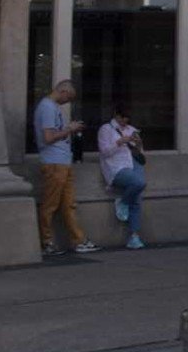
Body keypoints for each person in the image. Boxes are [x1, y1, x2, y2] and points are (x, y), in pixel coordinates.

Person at [34, 80, 97, 256]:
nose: (67, 101)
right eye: (68, 97)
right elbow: (48, 138)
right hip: (54, 162)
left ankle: (78, 240)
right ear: (62, 91)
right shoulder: (47, 107)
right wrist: (69, 129)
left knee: (68, 204)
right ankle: (47, 242)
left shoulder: (52, 107)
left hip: (62, 161)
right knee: (50, 204)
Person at [98, 104, 146, 249]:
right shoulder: (106, 129)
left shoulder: (132, 130)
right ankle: (123, 202)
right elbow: (104, 152)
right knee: (139, 183)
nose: (124, 122)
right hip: (116, 167)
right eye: (122, 118)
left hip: (133, 164)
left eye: (127, 119)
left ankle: (134, 236)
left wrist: (138, 144)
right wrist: (119, 142)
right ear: (116, 115)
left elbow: (140, 153)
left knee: (136, 199)